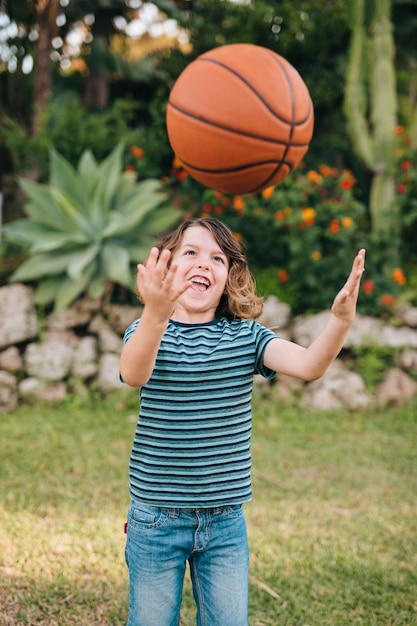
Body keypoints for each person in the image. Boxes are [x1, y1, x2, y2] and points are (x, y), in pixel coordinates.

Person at [120, 217, 365, 626]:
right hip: (156, 518)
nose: (204, 264)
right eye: (191, 253)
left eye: (217, 258)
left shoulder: (245, 337)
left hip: (225, 522)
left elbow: (308, 365)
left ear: (230, 275)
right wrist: (155, 313)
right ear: (166, 267)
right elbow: (134, 373)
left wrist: (340, 321)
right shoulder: (147, 330)